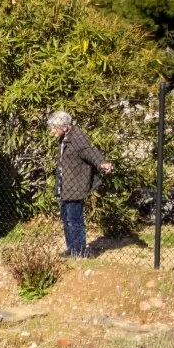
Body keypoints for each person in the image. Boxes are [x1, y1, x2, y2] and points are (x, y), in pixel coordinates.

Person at [49, 110, 113, 258]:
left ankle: (80, 251)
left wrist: (102, 163)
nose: (51, 131)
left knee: (74, 220)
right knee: (66, 218)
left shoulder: (78, 138)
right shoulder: (65, 137)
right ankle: (72, 249)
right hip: (65, 184)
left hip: (75, 185)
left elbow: (90, 152)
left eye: (53, 127)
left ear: (64, 126)